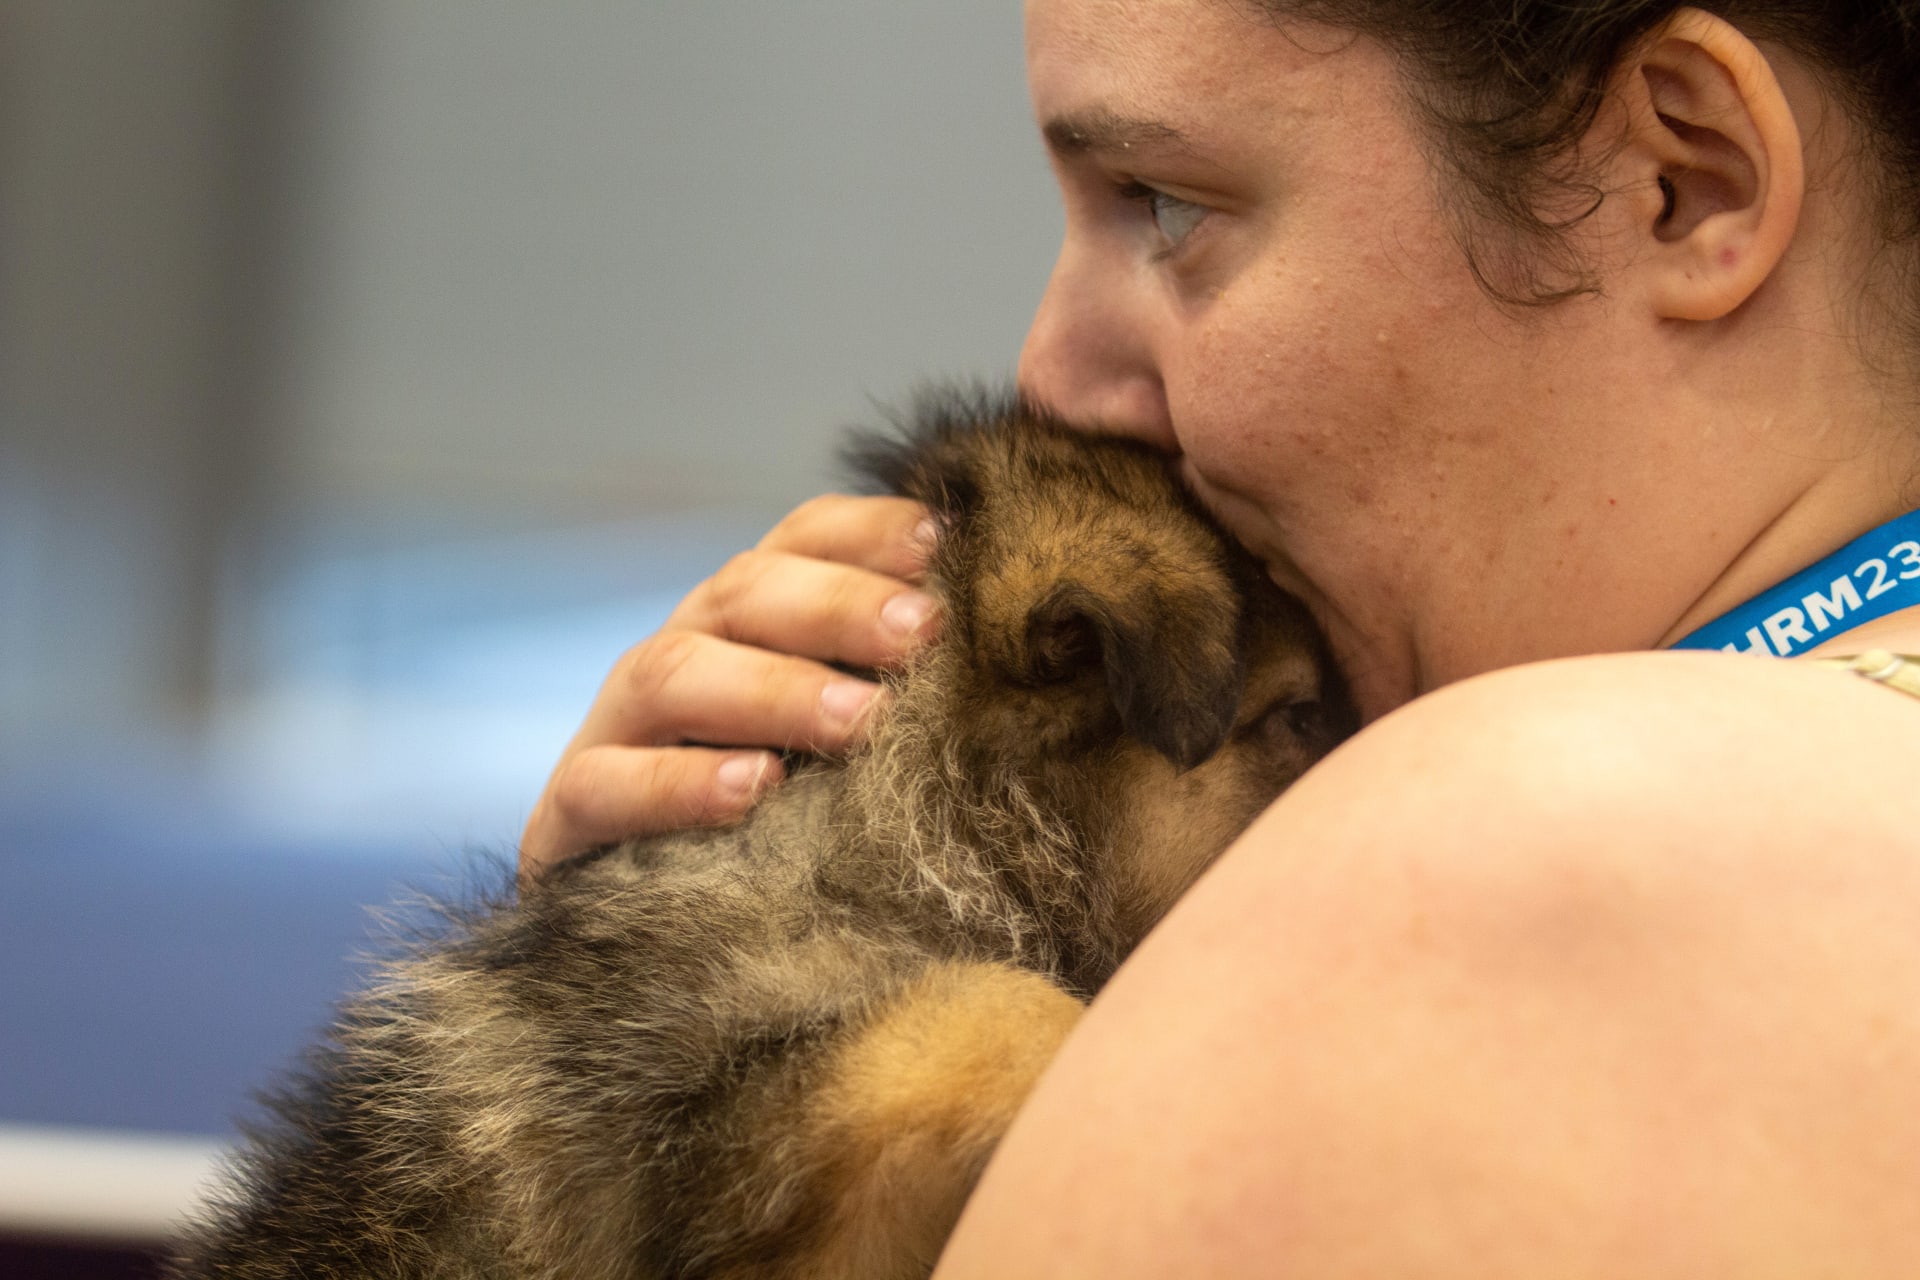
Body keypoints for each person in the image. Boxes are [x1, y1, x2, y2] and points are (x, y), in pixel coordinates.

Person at [521, 1, 1920, 1273]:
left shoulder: (1513, 849)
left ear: (1687, 181)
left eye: (1169, 206)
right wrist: (690, 1067)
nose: (1054, 372)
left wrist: (560, 1181)